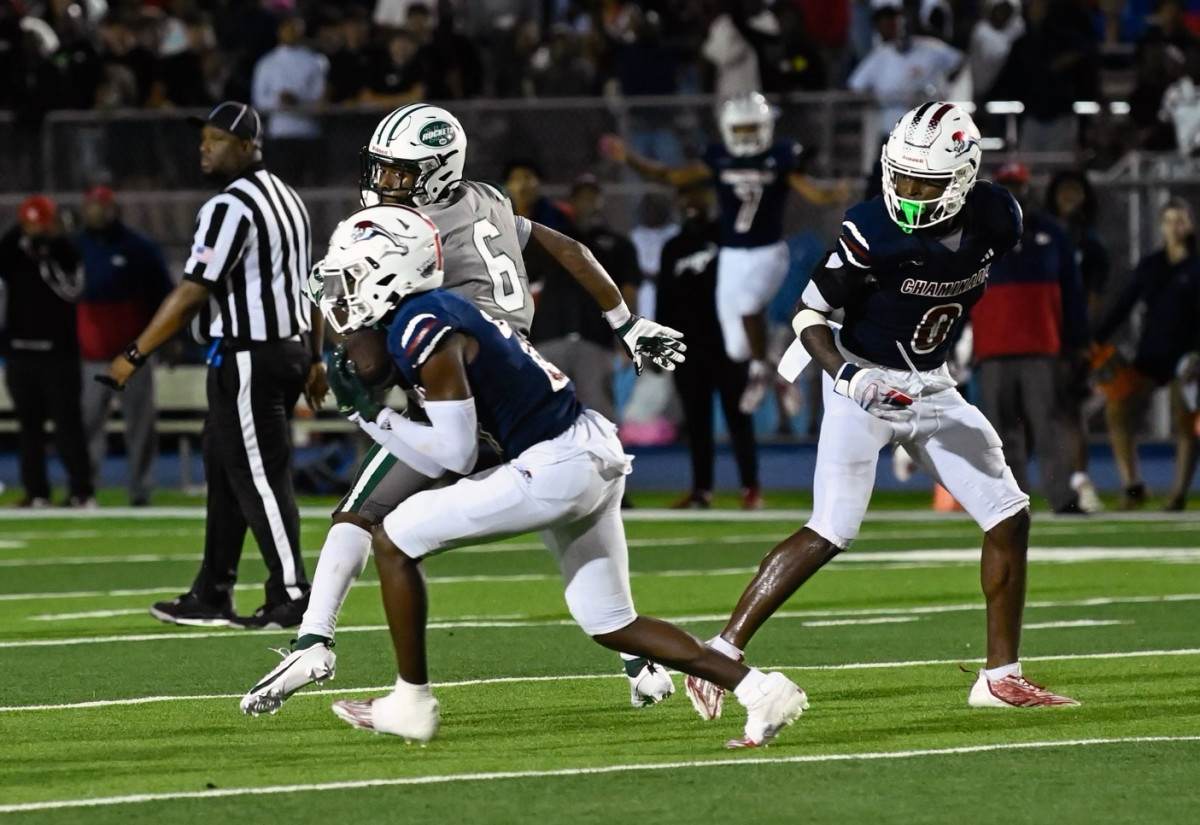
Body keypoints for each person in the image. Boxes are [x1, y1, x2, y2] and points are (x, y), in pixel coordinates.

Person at [240, 104, 686, 716]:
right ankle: (642, 663)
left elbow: (343, 286)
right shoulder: (491, 200)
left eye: (401, 172)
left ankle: (316, 642)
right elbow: (571, 249)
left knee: (363, 513)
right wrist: (627, 323)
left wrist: (329, 357)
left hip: (456, 377)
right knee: (568, 513)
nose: (387, 182)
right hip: (523, 378)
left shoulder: (407, 226)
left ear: (434, 171)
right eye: (386, 170)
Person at [314, 204, 808, 746]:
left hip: (552, 466)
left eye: (354, 273)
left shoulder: (423, 325)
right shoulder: (435, 311)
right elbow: (439, 455)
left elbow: (451, 457)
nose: (344, 288)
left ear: (393, 271)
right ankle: (762, 689)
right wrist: (373, 414)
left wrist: (371, 414)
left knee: (394, 540)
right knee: (611, 621)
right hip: (587, 449)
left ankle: (411, 701)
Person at [684, 102, 1079, 720]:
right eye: (901, 175)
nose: (910, 191)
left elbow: (955, 290)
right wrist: (847, 374)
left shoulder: (999, 217)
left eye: (926, 181)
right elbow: (808, 315)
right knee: (831, 529)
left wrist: (954, 348)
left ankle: (1000, 676)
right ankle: (720, 652)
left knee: (1009, 513)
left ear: (966, 177)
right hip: (861, 384)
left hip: (934, 385)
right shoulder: (871, 228)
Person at [102, 102, 328, 627]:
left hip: (250, 356)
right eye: (202, 138)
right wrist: (313, 356)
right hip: (284, 350)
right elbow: (312, 283)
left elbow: (189, 293)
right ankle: (212, 591)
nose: (204, 147)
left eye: (217, 139)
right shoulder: (290, 199)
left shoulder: (230, 207)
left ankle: (292, 594)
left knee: (260, 477)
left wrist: (134, 353)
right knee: (226, 470)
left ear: (248, 146)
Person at [606, 90, 848, 414]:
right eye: (740, 130)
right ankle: (779, 374)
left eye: (751, 128)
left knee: (749, 305)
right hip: (732, 257)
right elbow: (670, 175)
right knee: (736, 349)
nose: (746, 137)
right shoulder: (718, 159)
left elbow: (813, 193)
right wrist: (629, 158)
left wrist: (836, 193)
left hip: (768, 252)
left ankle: (761, 373)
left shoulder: (780, 158)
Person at [971, 161, 1089, 515]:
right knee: (1000, 435)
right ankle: (1010, 503)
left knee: (1049, 427)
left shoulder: (1053, 234)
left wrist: (1075, 345)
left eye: (1017, 185)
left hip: (1042, 347)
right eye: (1006, 186)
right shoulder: (977, 235)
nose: (1013, 193)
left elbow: (1072, 293)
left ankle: (1062, 497)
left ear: (1029, 188)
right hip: (992, 349)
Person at [656, 181, 761, 510]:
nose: (691, 200)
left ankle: (750, 488)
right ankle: (702, 491)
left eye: (698, 193)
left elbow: (748, 289)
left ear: (711, 198)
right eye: (685, 194)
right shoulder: (672, 247)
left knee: (738, 418)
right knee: (696, 423)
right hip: (688, 349)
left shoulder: (728, 237)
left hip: (728, 345)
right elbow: (664, 301)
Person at [1091, 197, 1200, 511]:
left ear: (1190, 225)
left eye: (1181, 220)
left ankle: (1178, 493)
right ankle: (1133, 485)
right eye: (1170, 220)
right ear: (1162, 226)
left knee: (1185, 418)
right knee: (1118, 410)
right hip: (1152, 356)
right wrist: (1094, 339)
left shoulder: (1196, 265)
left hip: (1188, 359)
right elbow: (1124, 305)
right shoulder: (1152, 265)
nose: (1176, 227)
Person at [75, 185, 174, 506]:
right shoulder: (75, 247)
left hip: (134, 355)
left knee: (141, 427)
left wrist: (169, 341)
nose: (97, 213)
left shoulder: (138, 248)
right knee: (87, 425)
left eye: (102, 206)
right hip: (91, 354)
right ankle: (85, 489)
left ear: (114, 208)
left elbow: (164, 296)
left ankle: (140, 491)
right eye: (92, 206)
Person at [0, 195, 93, 508]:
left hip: (58, 355)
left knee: (68, 425)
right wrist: (19, 237)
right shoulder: (12, 248)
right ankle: (36, 491)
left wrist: (46, 258)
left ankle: (81, 491)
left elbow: (73, 290)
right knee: (29, 428)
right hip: (21, 354)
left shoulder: (65, 251)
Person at [1045, 168, 1110, 512]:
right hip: (1037, 337)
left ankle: (1079, 480)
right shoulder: (1039, 236)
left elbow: (1094, 298)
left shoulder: (1090, 243)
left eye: (1076, 190)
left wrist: (1082, 338)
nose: (1070, 198)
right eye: (1064, 190)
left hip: (1067, 340)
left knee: (1070, 410)